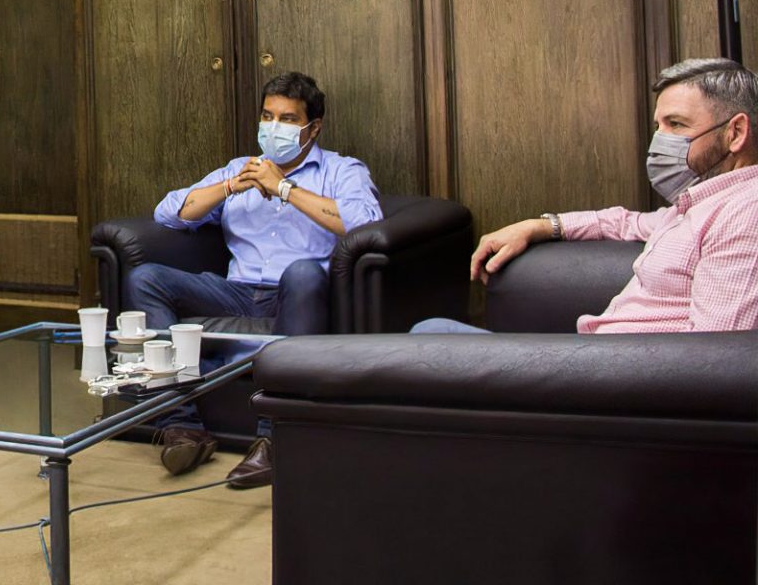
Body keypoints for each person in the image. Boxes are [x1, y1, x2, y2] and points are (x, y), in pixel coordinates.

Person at [126, 71, 382, 488]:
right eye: (268, 116)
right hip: (236, 293)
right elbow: (169, 212)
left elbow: (365, 223)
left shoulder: (342, 170)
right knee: (145, 278)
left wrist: (284, 189)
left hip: (297, 294)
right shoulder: (239, 168)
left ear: (313, 128)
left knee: (303, 272)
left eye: (288, 119)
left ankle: (272, 439)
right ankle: (181, 425)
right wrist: (230, 186)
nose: (274, 127)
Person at [413, 57, 758, 337]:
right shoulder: (699, 204)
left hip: (613, 383)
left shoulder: (745, 212)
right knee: (431, 331)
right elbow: (624, 222)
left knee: (427, 344)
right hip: (596, 362)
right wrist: (542, 226)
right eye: (659, 127)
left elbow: (717, 358)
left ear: (736, 132)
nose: (660, 141)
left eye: (677, 125)